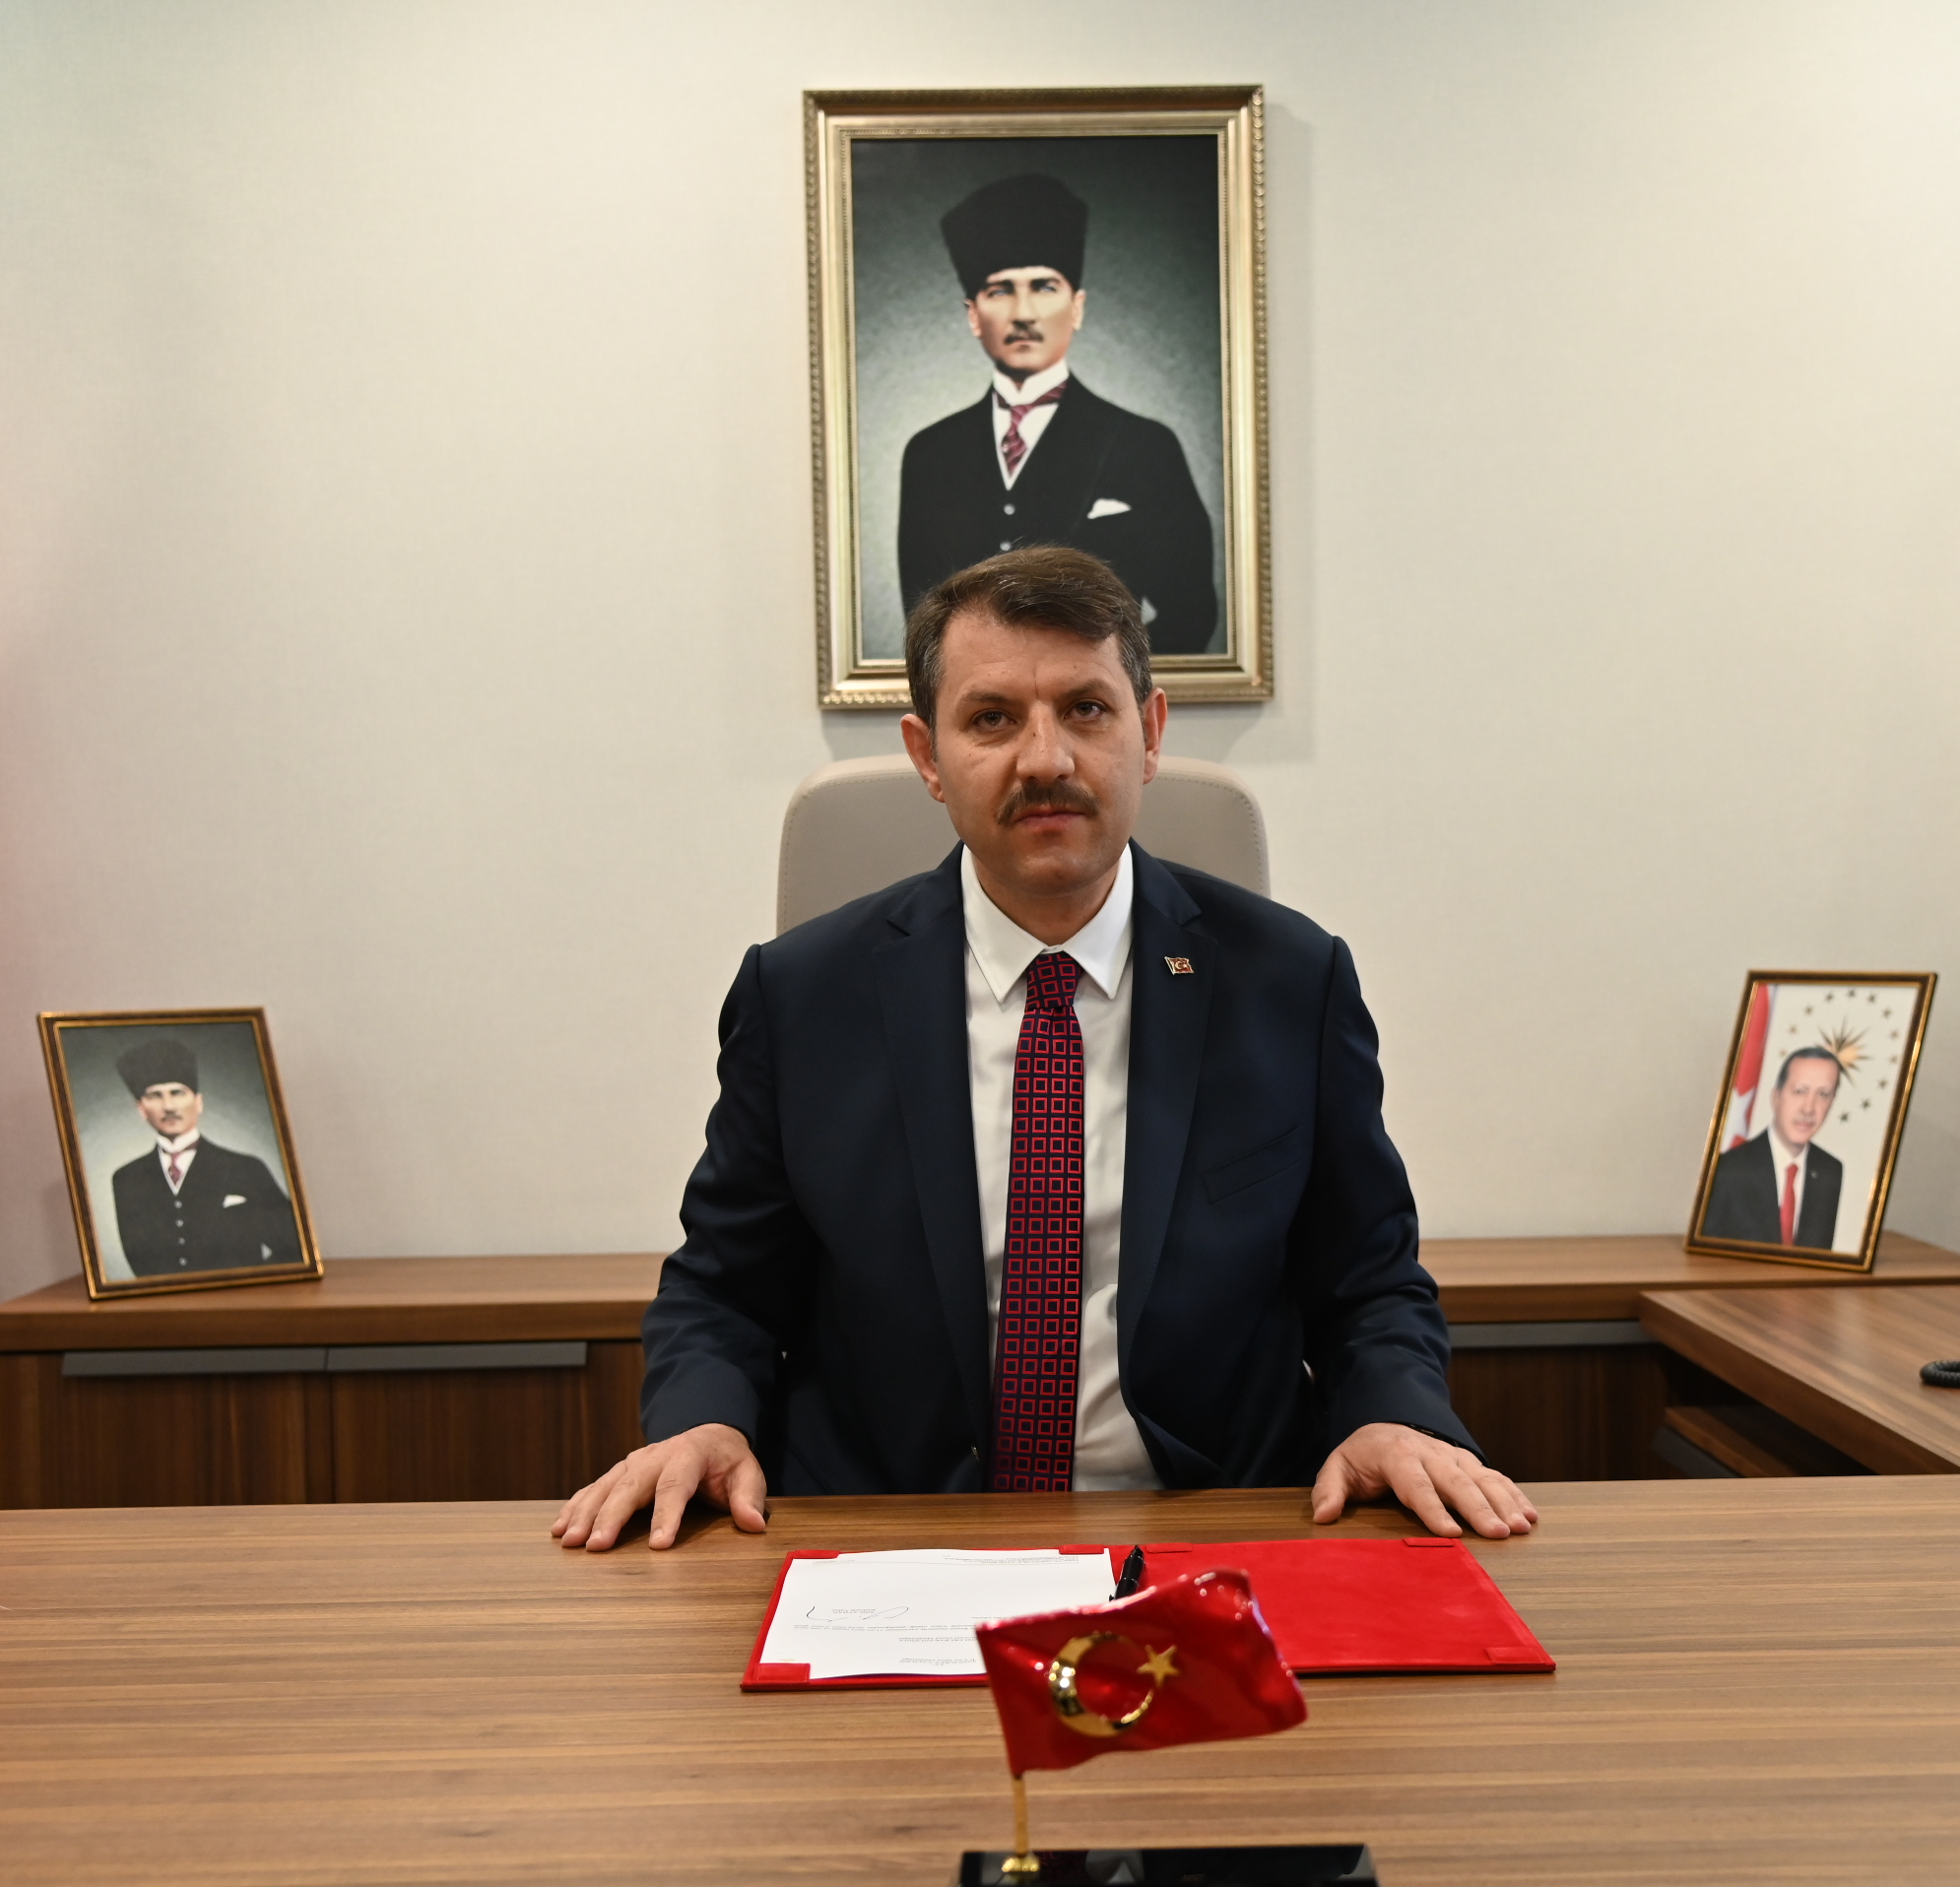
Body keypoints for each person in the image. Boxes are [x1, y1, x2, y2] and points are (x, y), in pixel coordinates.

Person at [555, 547, 1533, 1550]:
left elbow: (1367, 1281)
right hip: (892, 1536)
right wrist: (704, 1420)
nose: (1045, 760)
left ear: (1149, 734)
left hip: (1217, 1528)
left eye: (1086, 710)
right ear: (927, 756)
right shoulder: (803, 995)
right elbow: (725, 1287)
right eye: (991, 719)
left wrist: (1390, 1414)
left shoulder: (1290, 981)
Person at [894, 172, 1221, 656]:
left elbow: (1192, 613)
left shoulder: (1144, 446)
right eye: (1000, 290)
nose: (1024, 313)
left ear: (1077, 308)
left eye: (1044, 287)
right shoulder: (930, 454)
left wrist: (1103, 681)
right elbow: (923, 624)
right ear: (973, 315)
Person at [106, 1038, 302, 1277]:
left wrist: (251, 1284)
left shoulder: (246, 1169)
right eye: (155, 1096)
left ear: (198, 1103)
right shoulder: (127, 1178)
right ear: (141, 1109)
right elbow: (139, 1258)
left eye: (177, 1093)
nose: (168, 1106)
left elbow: (294, 1247)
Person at [1700, 1046, 1846, 1250]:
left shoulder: (1830, 1171)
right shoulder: (1729, 1169)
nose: (1809, 1108)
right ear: (1776, 1097)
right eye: (1800, 1091)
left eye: (1823, 1094)